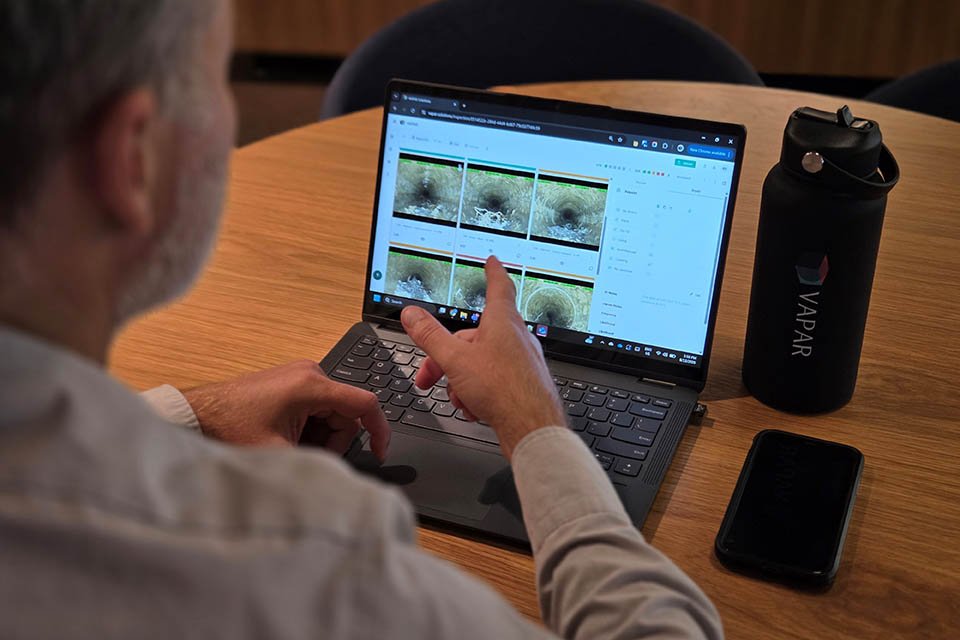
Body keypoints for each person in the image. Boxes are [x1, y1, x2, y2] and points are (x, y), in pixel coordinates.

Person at [0, 1, 724, 638]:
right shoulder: (312, 573)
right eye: (218, 78)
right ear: (130, 157)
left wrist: (192, 413)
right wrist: (536, 423)